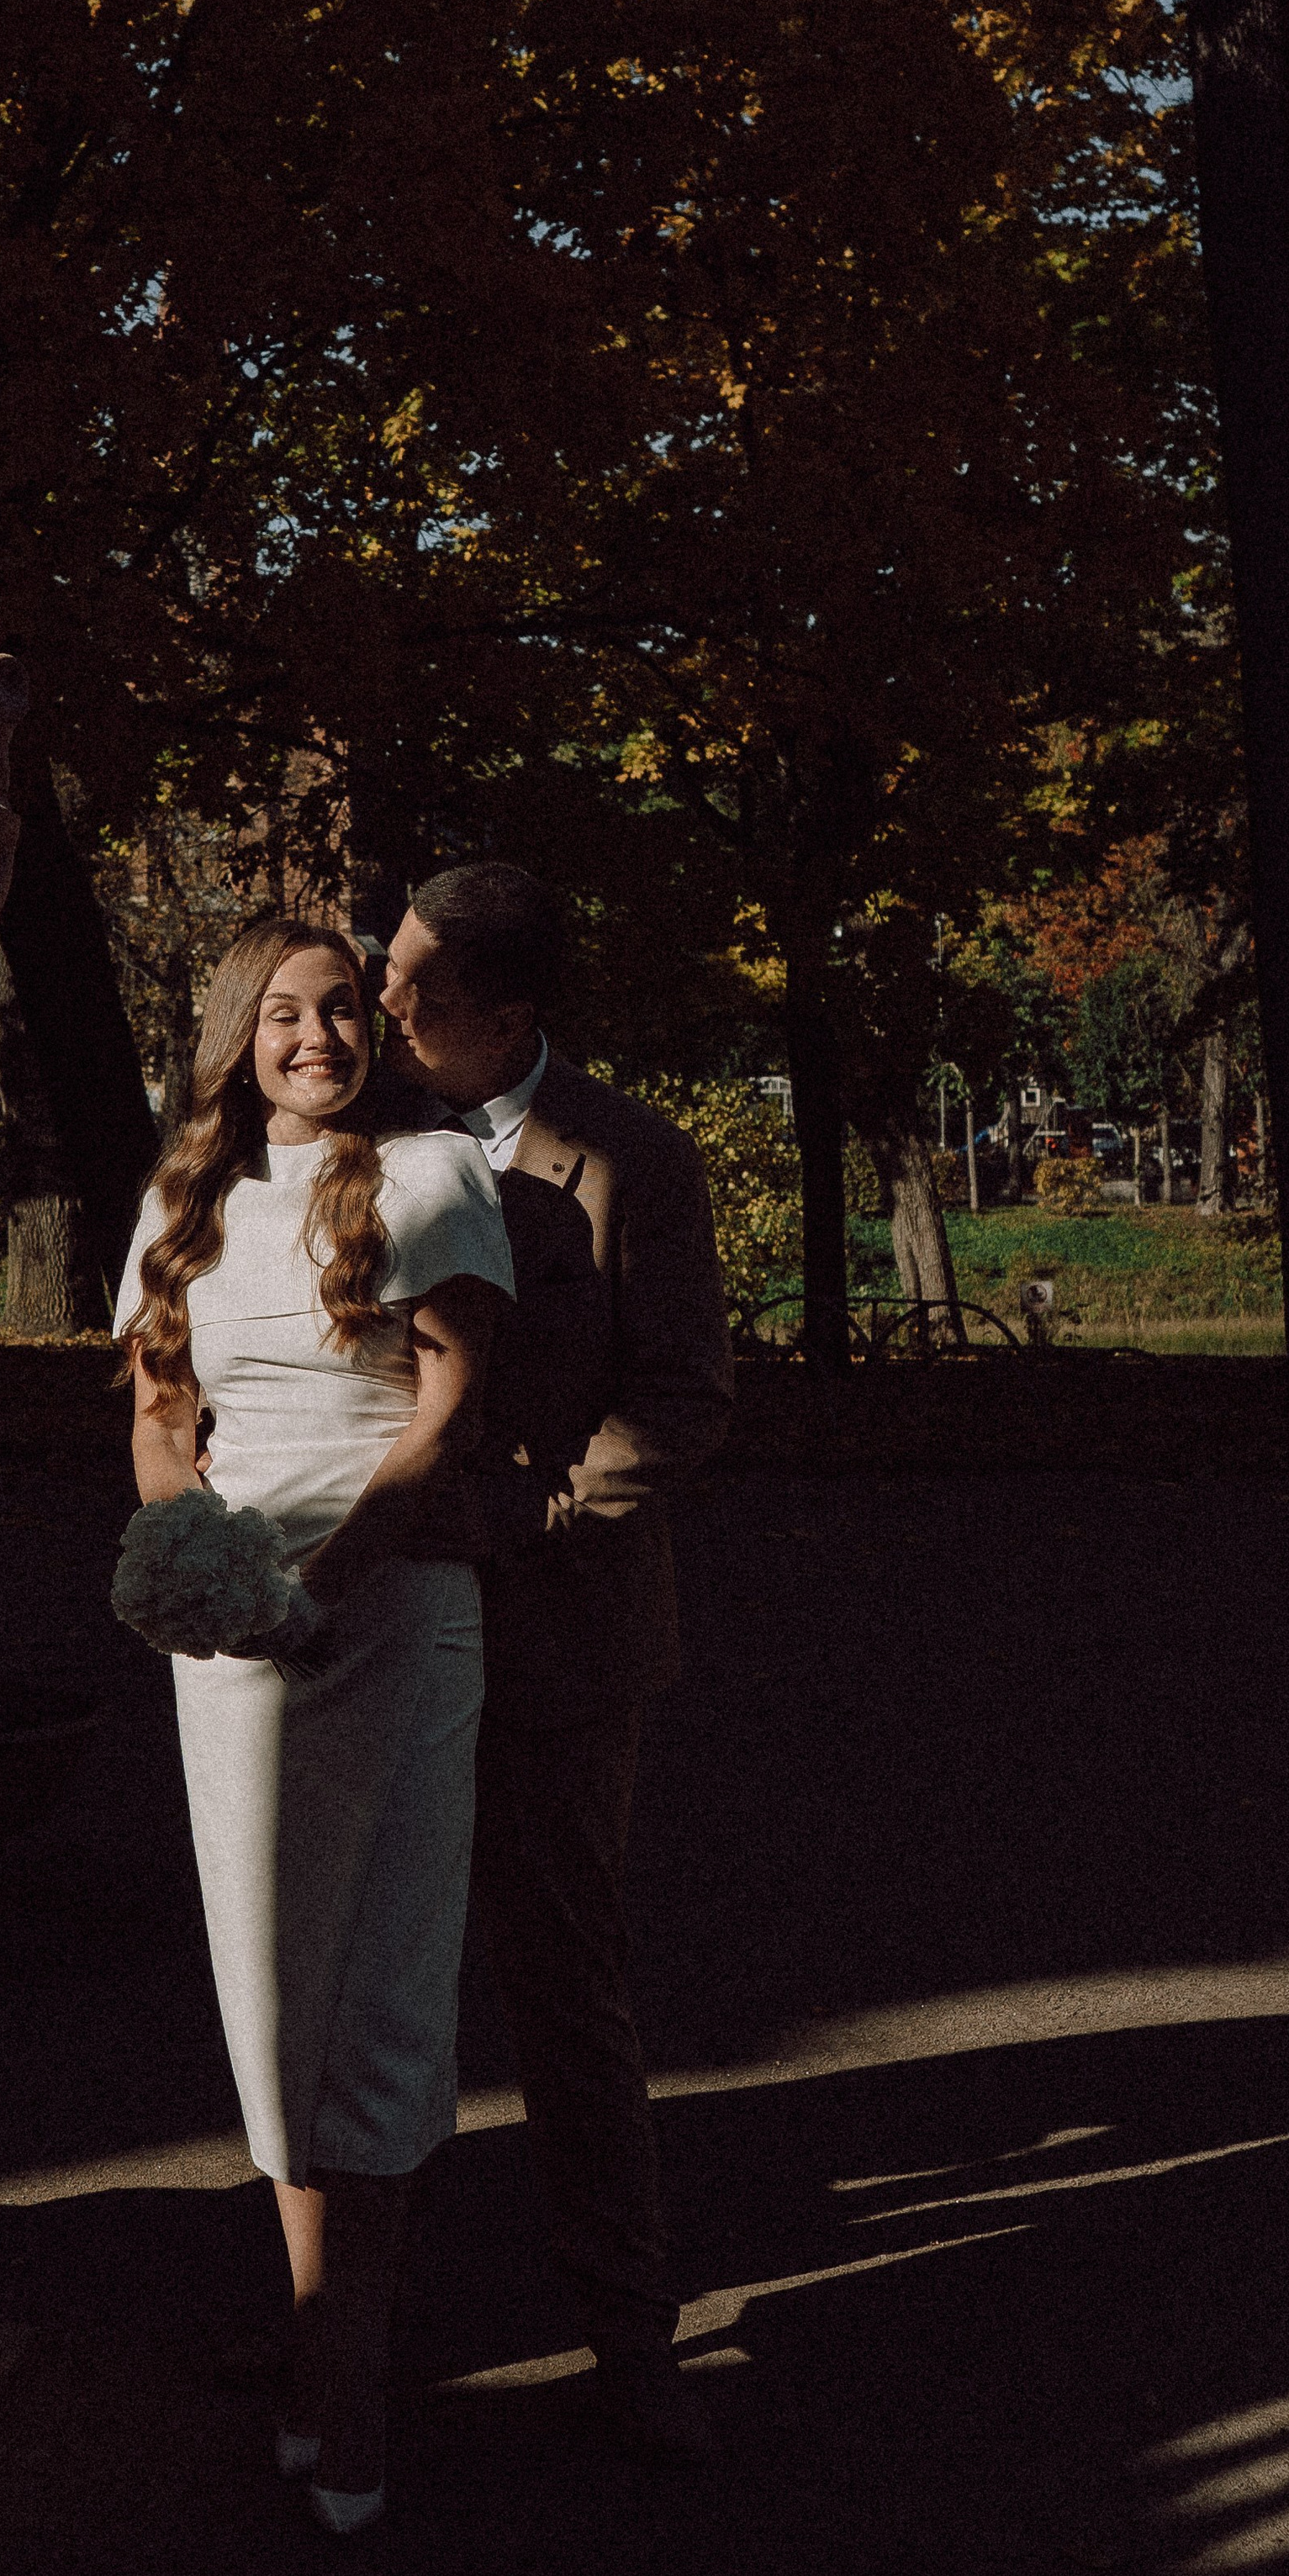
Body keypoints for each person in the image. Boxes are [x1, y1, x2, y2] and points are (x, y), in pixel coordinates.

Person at [114, 916, 515, 2533]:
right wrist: (203, 1567)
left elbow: (452, 1406)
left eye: (342, 1008)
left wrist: (332, 1573)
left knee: (386, 1983)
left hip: (395, 1611)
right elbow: (161, 1420)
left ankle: (350, 2374)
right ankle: (313, 2336)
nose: (316, 1037)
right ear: (238, 1034)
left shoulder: (432, 1177)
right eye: (281, 1012)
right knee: (270, 1992)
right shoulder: (182, 1204)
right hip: (236, 1639)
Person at [378, 863, 734, 2464]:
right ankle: (349, 2319)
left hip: (560, 1635)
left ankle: (629, 2329)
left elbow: (684, 1394)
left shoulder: (631, 1156)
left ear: (512, 1012)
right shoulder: (359, 1133)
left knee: (562, 1985)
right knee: (367, 1978)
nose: (385, 1006)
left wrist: (533, 1513)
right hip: (378, 1620)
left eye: (420, 988)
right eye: (387, 970)